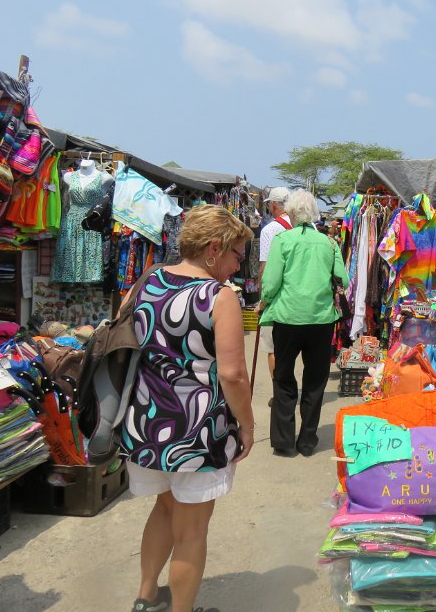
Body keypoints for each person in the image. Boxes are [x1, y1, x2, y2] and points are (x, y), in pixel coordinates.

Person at [123, 204, 255, 612]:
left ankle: (146, 598)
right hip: (197, 430)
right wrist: (247, 426)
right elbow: (232, 375)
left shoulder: (146, 280)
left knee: (164, 510)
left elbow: (122, 341)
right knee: (192, 529)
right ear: (214, 249)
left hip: (145, 421)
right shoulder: (219, 296)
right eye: (237, 255)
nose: (238, 265)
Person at [260, 190, 348, 457]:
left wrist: (264, 300)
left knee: (284, 378)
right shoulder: (329, 243)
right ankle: (307, 441)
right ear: (314, 213)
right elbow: (342, 279)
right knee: (315, 381)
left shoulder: (283, 240)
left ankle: (284, 441)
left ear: (291, 212)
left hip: (288, 318)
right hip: (320, 321)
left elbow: (271, 282)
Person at [257, 187, 291, 406]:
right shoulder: (310, 228)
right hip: (300, 299)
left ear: (274, 205)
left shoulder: (270, 230)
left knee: (273, 348)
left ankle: (280, 392)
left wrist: (262, 300)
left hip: (277, 299)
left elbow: (264, 268)